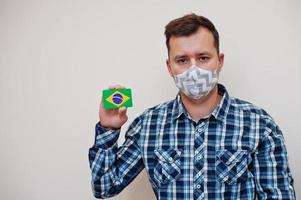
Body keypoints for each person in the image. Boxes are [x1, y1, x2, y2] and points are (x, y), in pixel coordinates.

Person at [88, 13, 296, 199]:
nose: (193, 70)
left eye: (203, 57)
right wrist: (109, 129)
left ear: (220, 61)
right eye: (182, 60)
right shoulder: (148, 125)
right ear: (170, 67)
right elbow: (104, 187)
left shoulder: (259, 124)